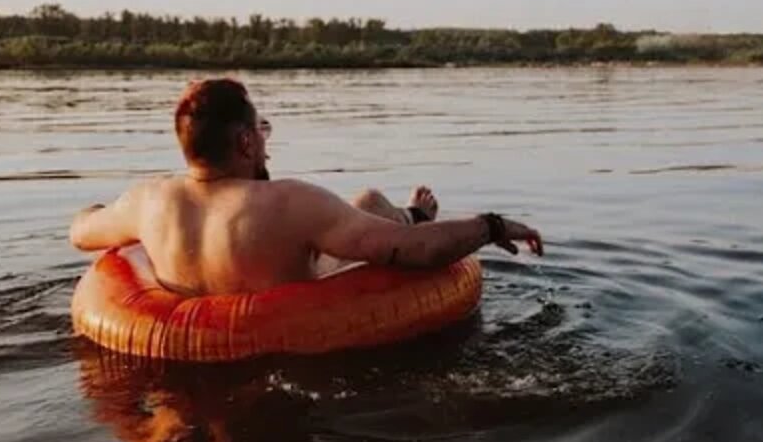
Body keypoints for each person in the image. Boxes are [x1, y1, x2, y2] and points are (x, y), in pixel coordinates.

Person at [69, 78, 543, 296]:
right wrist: (493, 225)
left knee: (362, 205)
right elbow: (410, 252)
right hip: (300, 352)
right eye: (263, 131)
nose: (267, 145)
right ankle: (410, 212)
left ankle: (393, 209)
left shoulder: (147, 201)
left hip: (193, 377)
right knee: (370, 204)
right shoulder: (288, 201)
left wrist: (104, 212)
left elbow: (81, 232)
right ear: (245, 141)